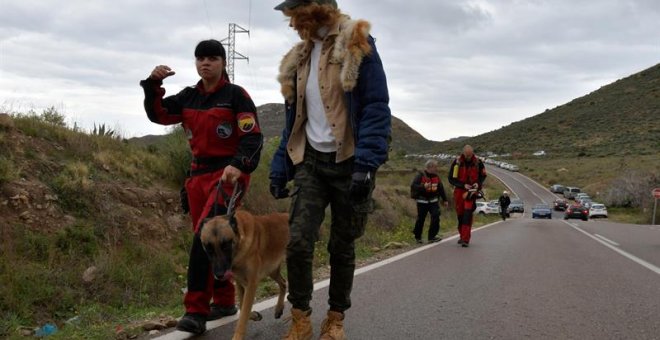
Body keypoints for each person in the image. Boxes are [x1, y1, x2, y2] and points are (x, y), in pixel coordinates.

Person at [269, 1, 391, 339]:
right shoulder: (300, 56)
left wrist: (366, 164)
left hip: (350, 161)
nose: (292, 20)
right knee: (297, 242)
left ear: (316, 8)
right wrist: (280, 165)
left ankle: (335, 318)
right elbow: (293, 118)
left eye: (296, 11)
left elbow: (376, 105)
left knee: (342, 245)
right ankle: (300, 317)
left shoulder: (356, 42)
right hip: (310, 162)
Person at [140, 39, 263, 335]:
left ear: (222, 63)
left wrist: (238, 164)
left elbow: (253, 136)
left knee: (203, 236)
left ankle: (195, 310)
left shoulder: (236, 96)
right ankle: (223, 300)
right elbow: (159, 114)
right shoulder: (188, 97)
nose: (205, 63)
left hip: (227, 177)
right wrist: (152, 85)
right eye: (200, 59)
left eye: (211, 58)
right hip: (197, 177)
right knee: (210, 238)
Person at [448, 145, 486, 247]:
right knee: (460, 215)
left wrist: (478, 183)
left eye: (470, 154)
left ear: (472, 152)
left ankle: (465, 239)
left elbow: (483, 175)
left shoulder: (478, 162)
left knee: (467, 215)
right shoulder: (457, 162)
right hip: (460, 192)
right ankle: (462, 236)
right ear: (463, 153)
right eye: (467, 155)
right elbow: (451, 179)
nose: (469, 157)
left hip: (472, 192)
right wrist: (462, 185)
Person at [410, 160, 449, 244]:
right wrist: (423, 186)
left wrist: (445, 199)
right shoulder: (420, 176)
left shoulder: (436, 176)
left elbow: (440, 188)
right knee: (421, 219)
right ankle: (418, 237)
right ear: (430, 167)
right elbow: (414, 186)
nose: (437, 169)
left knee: (436, 216)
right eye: (435, 167)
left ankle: (432, 237)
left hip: (433, 201)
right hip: (422, 202)